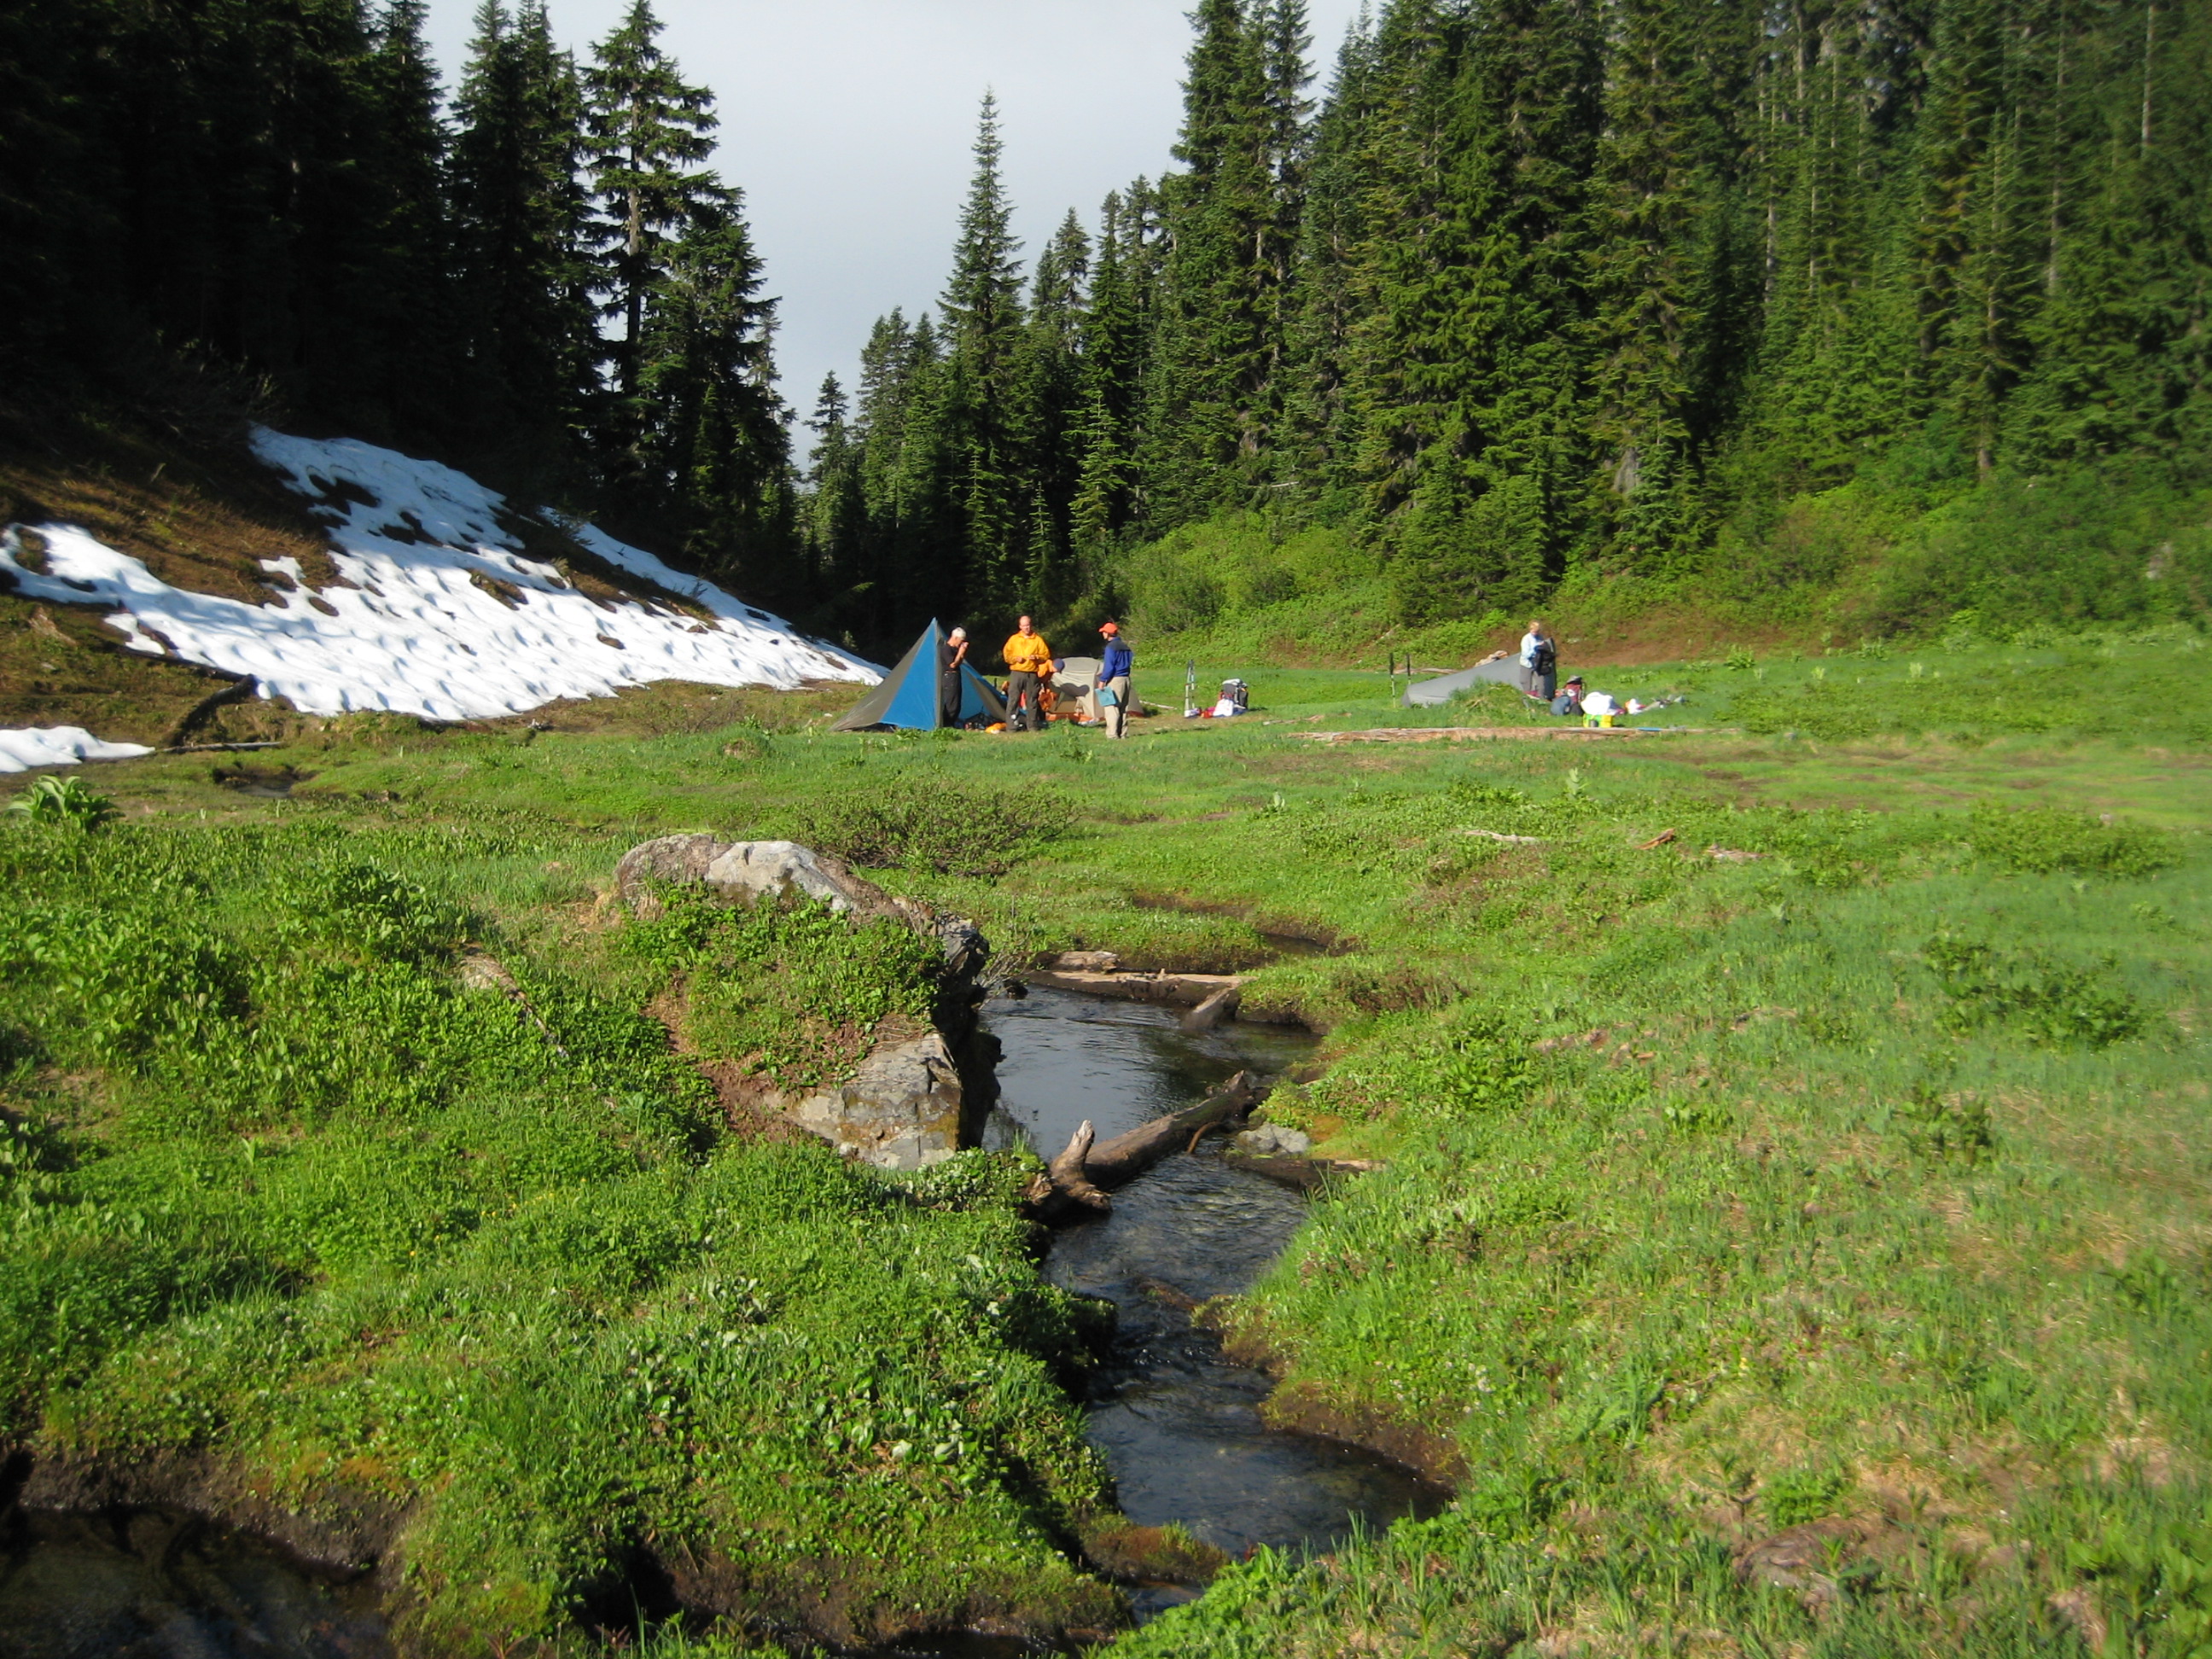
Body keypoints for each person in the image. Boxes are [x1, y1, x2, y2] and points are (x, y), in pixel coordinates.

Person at [1001, 614, 1054, 732]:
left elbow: (1046, 655)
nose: (1027, 628)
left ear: (1031, 625)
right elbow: (1006, 655)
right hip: (1017, 672)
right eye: (1024, 626)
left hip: (1032, 673)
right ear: (1020, 626)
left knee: (1032, 700)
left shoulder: (1038, 640)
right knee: (1013, 699)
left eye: (1028, 625)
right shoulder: (1014, 639)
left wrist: (1037, 657)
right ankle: (1011, 726)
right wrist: (1015, 659)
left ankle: (1033, 726)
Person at [1097, 621, 1133, 739]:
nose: (1103, 634)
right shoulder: (1126, 647)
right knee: (1123, 708)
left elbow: (1110, 666)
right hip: (1126, 678)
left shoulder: (1110, 647)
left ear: (1108, 634)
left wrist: (1102, 680)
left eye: (1103, 632)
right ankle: (1123, 733)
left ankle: (1112, 735)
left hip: (1115, 679)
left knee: (1112, 707)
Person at [1518, 620, 1557, 701]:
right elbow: (1526, 655)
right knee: (1527, 684)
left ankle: (1542, 699)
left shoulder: (1540, 637)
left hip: (1538, 664)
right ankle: (1527, 700)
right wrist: (1536, 648)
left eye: (1537, 632)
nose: (1535, 634)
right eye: (1534, 632)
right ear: (1530, 630)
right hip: (1527, 664)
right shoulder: (1526, 639)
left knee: (1541, 684)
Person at [940, 626, 970, 727]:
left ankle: (952, 723)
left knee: (957, 703)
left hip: (956, 676)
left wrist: (961, 654)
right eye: (961, 641)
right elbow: (952, 665)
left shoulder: (954, 649)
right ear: (956, 638)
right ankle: (947, 724)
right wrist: (960, 652)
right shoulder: (946, 649)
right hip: (950, 677)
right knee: (951, 703)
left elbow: (958, 663)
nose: (960, 643)